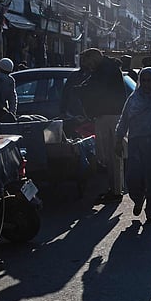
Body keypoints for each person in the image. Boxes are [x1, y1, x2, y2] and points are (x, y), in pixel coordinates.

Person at [62, 48, 127, 203]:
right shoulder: (101, 68)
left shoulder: (107, 69)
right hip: (105, 115)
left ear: (94, 58)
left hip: (111, 116)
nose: (87, 65)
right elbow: (92, 84)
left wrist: (81, 90)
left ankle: (116, 191)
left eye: (88, 61)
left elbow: (96, 88)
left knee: (114, 156)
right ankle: (113, 188)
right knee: (107, 155)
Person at [113, 67, 151, 225]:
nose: (147, 84)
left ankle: (150, 212)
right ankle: (138, 200)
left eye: (150, 80)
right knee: (134, 178)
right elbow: (124, 120)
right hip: (136, 146)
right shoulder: (133, 99)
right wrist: (118, 140)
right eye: (144, 80)